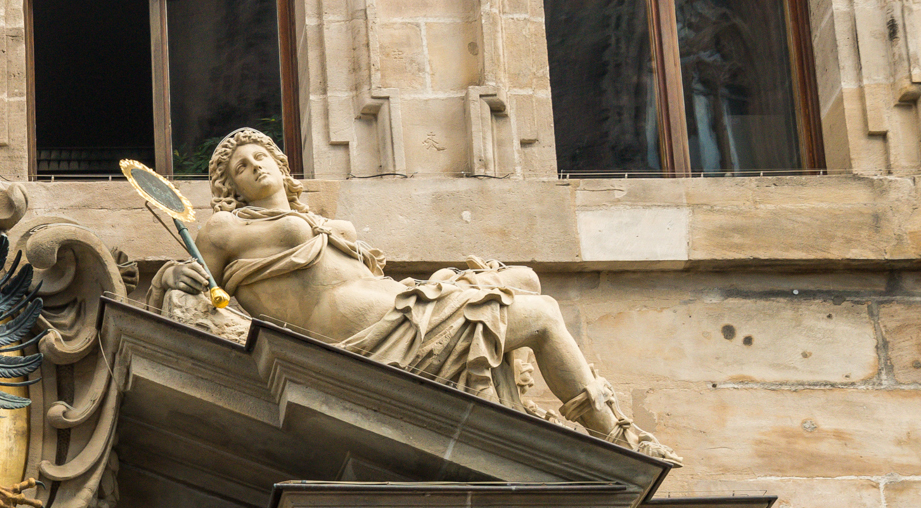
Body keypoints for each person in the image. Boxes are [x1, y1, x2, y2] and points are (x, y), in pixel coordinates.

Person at [162, 127, 675, 461]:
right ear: (231, 188)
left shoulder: (315, 218)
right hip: (367, 327)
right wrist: (168, 278)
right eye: (240, 168)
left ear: (280, 161)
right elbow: (194, 283)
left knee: (523, 280)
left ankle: (531, 408)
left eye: (261, 155)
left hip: (395, 300)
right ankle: (616, 435)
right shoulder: (224, 227)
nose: (255, 166)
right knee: (540, 316)